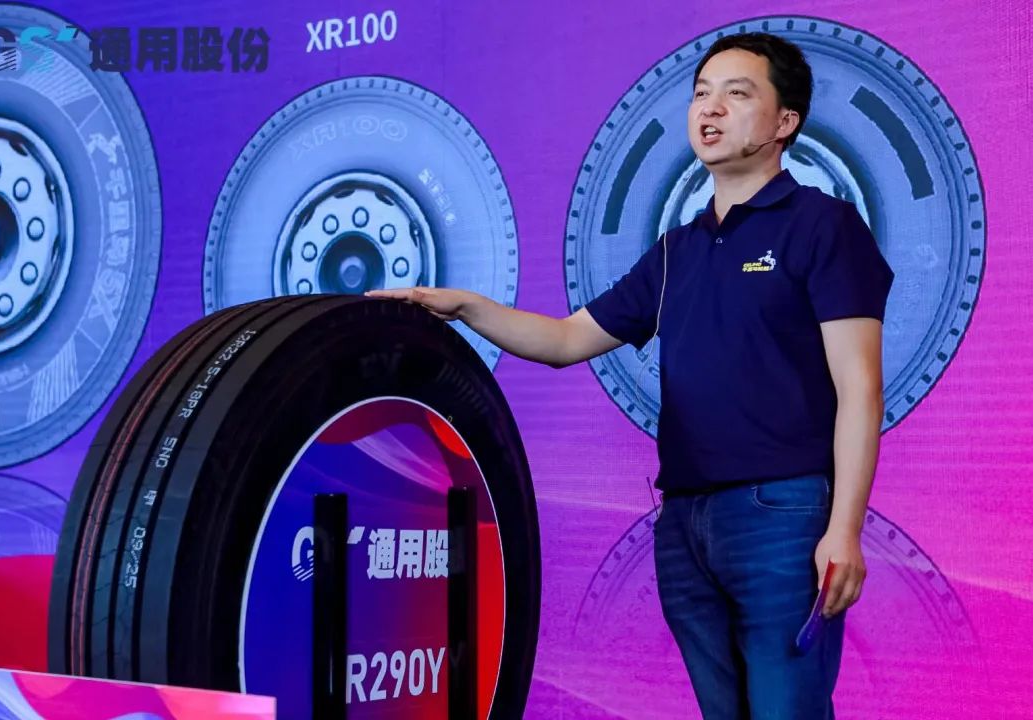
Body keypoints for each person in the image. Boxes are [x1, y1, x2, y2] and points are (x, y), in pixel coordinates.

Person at [368, 32, 893, 720]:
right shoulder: (677, 250)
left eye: (737, 95)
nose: (710, 109)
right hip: (684, 523)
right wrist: (466, 306)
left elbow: (860, 388)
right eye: (701, 94)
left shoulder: (824, 226)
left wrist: (844, 530)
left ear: (784, 122)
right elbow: (564, 340)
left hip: (781, 516)